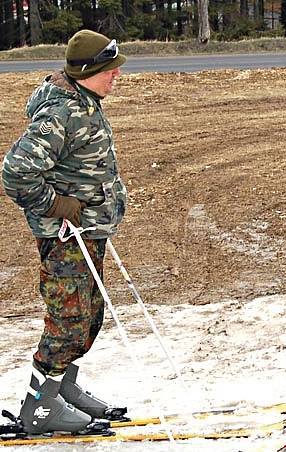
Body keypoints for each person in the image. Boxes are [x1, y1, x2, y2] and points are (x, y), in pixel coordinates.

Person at [2, 30, 128, 434]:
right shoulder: (60, 114)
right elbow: (15, 173)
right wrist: (58, 206)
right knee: (68, 319)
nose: (117, 75)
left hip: (88, 230)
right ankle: (39, 407)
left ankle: (62, 390)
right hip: (65, 237)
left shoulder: (85, 103)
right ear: (88, 71)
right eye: (109, 69)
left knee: (89, 316)